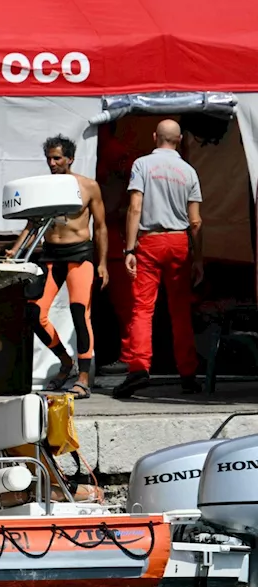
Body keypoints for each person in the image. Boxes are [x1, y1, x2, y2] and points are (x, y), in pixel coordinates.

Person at [8, 135, 109, 398]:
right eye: (49, 159)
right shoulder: (43, 187)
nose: (52, 163)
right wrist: (15, 252)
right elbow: (32, 224)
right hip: (51, 255)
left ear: (70, 159)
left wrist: (103, 263)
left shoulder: (88, 186)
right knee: (34, 313)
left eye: (57, 158)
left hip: (79, 254)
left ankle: (84, 377)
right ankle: (66, 361)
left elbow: (100, 226)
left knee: (79, 313)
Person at [115, 119, 204, 398]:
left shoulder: (142, 165)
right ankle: (188, 375)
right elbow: (196, 222)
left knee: (142, 308)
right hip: (179, 242)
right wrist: (198, 258)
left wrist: (130, 249)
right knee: (180, 311)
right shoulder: (189, 172)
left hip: (150, 241)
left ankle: (139, 368)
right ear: (178, 140)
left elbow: (135, 207)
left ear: (155, 137)